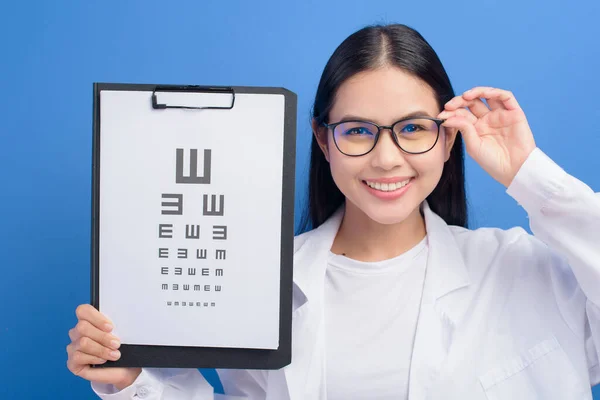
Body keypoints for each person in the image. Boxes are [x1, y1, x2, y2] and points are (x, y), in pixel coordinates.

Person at [66, 23, 600, 399]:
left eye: (413, 127)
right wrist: (133, 379)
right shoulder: (259, 285)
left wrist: (528, 173)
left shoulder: (525, 269)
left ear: (447, 139)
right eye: (358, 131)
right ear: (323, 140)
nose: (386, 157)